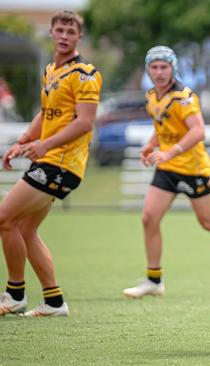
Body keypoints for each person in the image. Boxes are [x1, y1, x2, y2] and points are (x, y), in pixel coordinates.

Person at [122, 46, 210, 298]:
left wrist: (168, 152)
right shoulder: (152, 96)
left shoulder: (184, 97)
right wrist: (151, 145)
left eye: (164, 67)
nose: (159, 72)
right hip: (167, 169)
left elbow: (198, 131)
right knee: (148, 218)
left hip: (192, 169)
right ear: (148, 70)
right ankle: (154, 279)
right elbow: (162, 126)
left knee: (209, 221)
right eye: (154, 67)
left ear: (173, 68)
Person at [0, 10, 102, 317]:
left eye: (71, 31)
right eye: (60, 30)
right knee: (25, 228)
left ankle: (14, 294)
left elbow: (85, 123)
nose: (64, 35)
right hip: (48, 159)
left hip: (63, 163)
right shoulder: (51, 71)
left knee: (4, 218)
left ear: (79, 37)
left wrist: (42, 145)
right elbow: (46, 115)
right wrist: (22, 141)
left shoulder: (85, 74)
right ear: (51, 32)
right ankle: (54, 301)